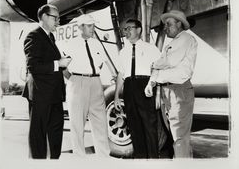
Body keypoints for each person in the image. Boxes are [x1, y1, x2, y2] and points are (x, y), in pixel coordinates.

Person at [144, 10, 198, 158]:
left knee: (179, 137)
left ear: (179, 23)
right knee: (177, 136)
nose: (165, 28)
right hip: (168, 90)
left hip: (178, 90)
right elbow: (161, 66)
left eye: (169, 24)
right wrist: (153, 78)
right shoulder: (173, 43)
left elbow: (169, 62)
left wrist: (155, 67)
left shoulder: (185, 38)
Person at [22, 4, 72, 159]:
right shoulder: (34, 36)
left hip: (53, 95)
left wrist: (67, 72)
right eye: (55, 18)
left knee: (55, 134)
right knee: (38, 135)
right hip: (41, 95)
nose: (58, 21)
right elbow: (33, 65)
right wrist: (59, 63)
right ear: (44, 17)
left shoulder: (50, 37)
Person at [114, 19, 166, 158]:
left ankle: (153, 159)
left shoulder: (150, 49)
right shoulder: (123, 52)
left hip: (145, 86)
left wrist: (156, 90)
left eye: (130, 28)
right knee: (134, 126)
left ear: (139, 30)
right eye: (125, 29)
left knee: (149, 126)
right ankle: (140, 158)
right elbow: (121, 74)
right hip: (129, 87)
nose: (127, 31)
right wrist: (116, 96)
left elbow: (158, 68)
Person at [63, 14, 110, 157]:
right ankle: (80, 160)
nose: (92, 29)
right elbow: (63, 67)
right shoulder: (70, 43)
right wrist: (73, 79)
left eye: (93, 26)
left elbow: (103, 62)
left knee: (100, 123)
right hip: (77, 83)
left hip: (96, 82)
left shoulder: (96, 43)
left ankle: (104, 159)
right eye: (90, 26)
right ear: (81, 27)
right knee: (77, 124)